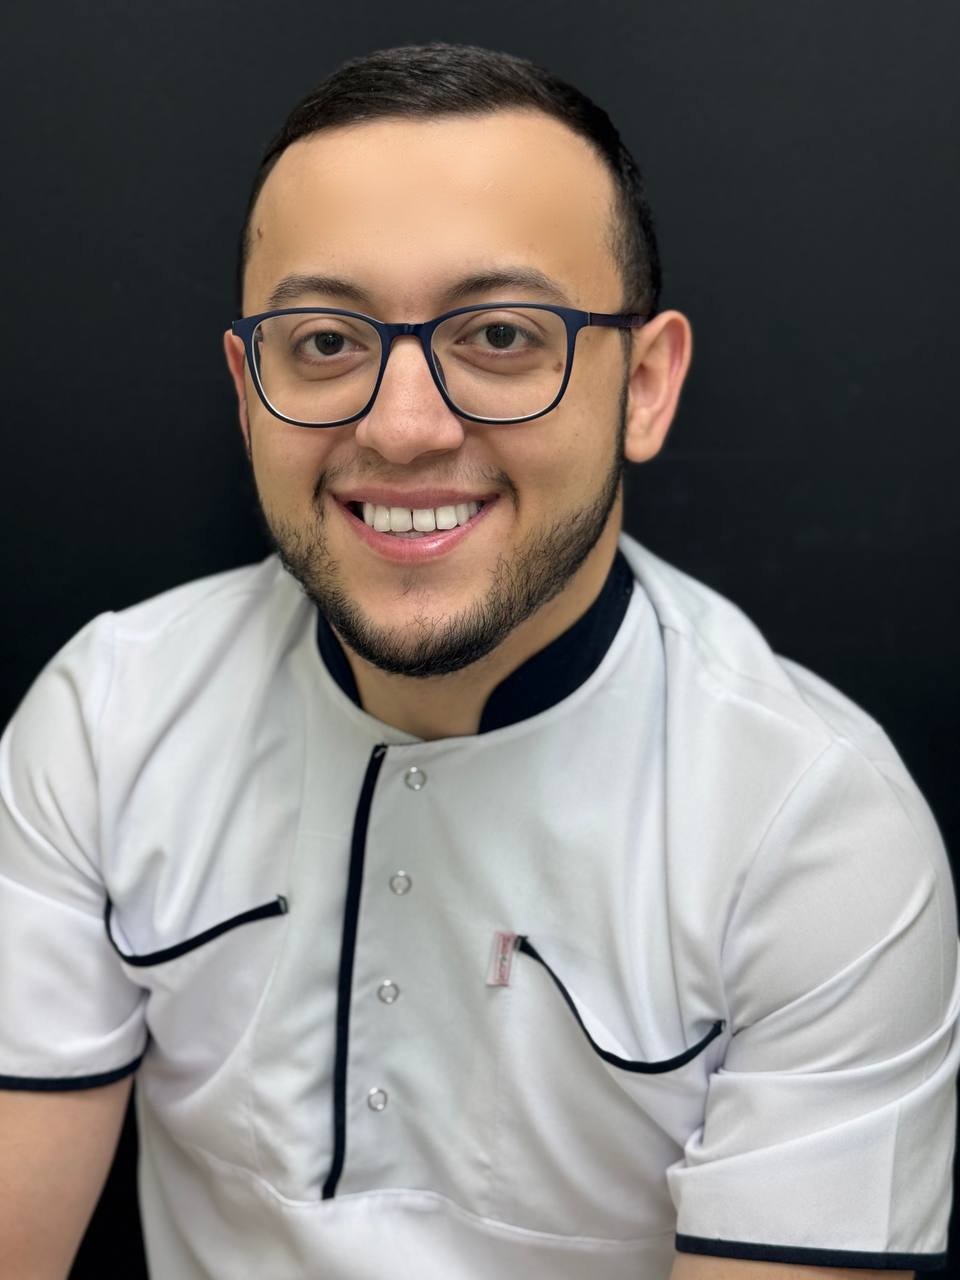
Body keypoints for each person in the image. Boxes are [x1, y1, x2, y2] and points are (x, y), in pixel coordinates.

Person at [0, 40, 956, 1280]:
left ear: (645, 385)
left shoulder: (811, 830)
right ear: (247, 391)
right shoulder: (110, 717)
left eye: (501, 333)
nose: (403, 426)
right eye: (324, 341)